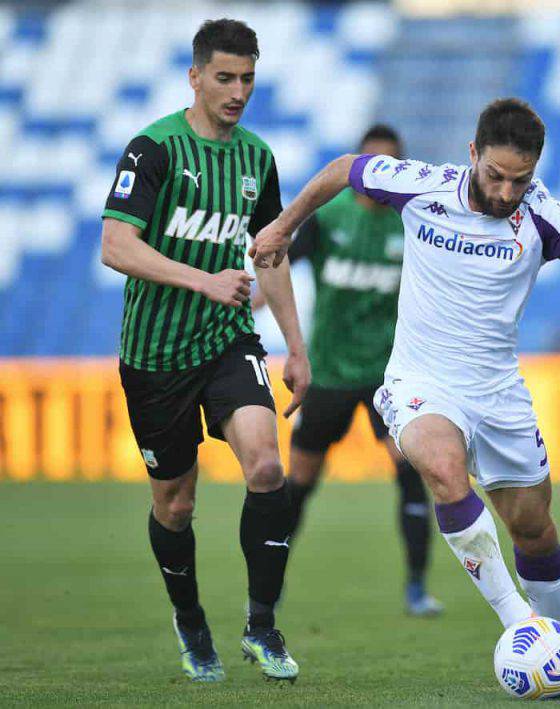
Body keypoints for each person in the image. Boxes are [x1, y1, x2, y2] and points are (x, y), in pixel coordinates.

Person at [251, 97, 560, 689]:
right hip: (420, 380)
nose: (504, 192)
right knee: (444, 470)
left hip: (498, 391)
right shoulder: (425, 185)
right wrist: (283, 224)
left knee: (532, 525)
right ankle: (521, 625)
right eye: (495, 175)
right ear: (473, 154)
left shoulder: (544, 214)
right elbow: (343, 168)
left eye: (519, 180)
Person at [100, 19, 309, 683]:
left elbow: (269, 255)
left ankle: (262, 624)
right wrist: (205, 280)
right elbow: (115, 246)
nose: (238, 90)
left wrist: (296, 347)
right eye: (225, 77)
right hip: (155, 354)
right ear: (195, 76)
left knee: (267, 466)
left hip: (227, 341)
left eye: (248, 78)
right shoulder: (153, 148)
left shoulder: (258, 158)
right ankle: (190, 618)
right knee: (177, 504)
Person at [253, 124, 442, 617]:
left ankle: (417, 589)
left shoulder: (412, 224)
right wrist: (246, 303)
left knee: (410, 472)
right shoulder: (328, 217)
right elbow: (280, 263)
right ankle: (271, 584)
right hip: (330, 371)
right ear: (360, 168)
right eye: (372, 166)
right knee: (300, 482)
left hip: (389, 376)